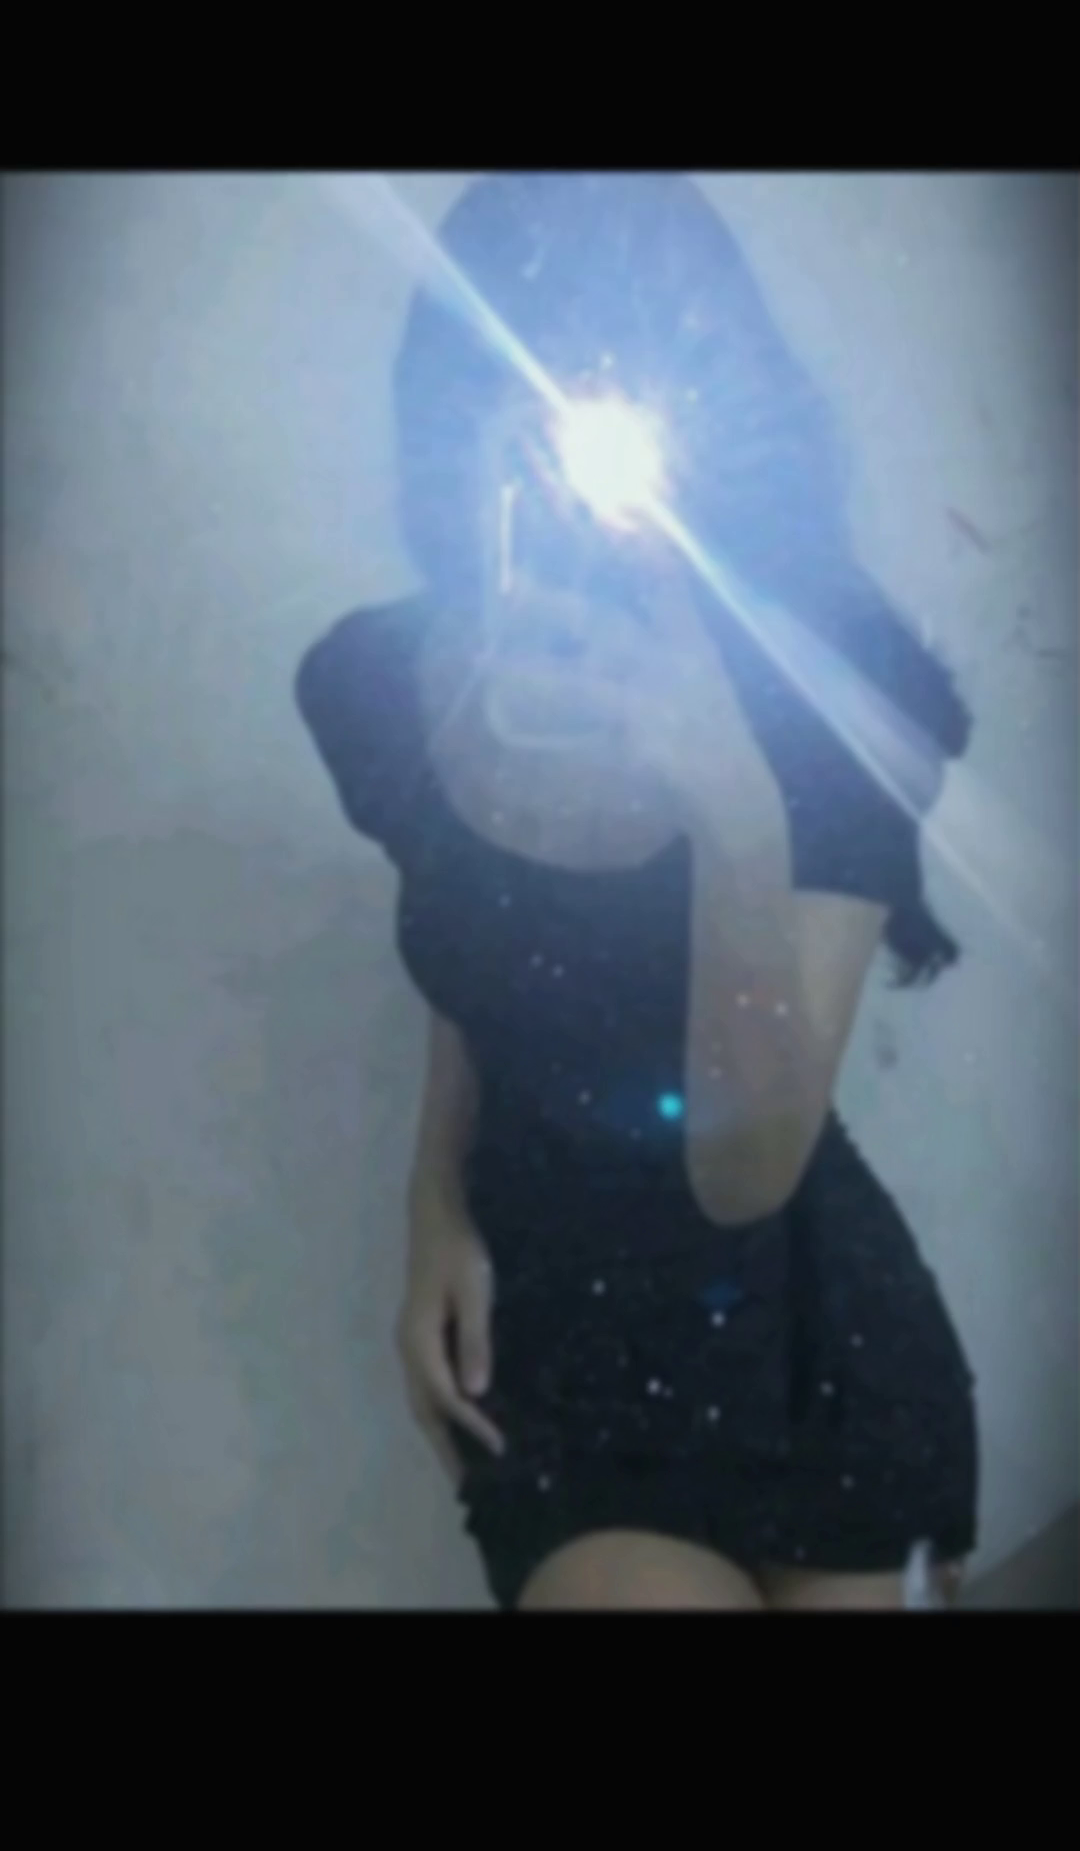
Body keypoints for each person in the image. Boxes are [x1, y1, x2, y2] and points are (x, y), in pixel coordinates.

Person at [296, 173, 978, 1611]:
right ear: (454, 412)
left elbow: (746, 1170)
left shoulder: (837, 687)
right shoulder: (375, 685)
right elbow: (479, 954)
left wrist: (734, 809)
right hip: (562, 1347)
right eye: (521, 396)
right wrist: (429, 1200)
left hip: (812, 1338)